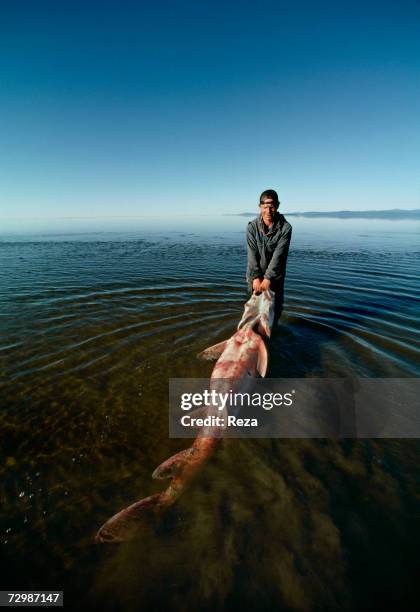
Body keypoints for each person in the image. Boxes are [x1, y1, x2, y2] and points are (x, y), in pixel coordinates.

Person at [246, 189, 292, 320]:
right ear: (260, 207)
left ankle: (271, 338)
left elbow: (279, 255)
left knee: (274, 313)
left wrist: (268, 278)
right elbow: (252, 253)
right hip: (255, 278)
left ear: (277, 206)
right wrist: (256, 277)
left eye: (271, 207)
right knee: (253, 313)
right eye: (265, 207)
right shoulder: (252, 227)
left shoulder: (286, 228)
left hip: (275, 278)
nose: (268, 211)